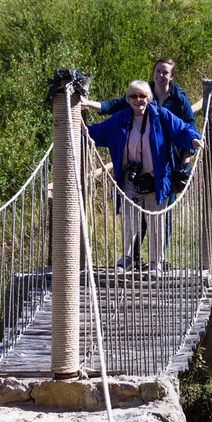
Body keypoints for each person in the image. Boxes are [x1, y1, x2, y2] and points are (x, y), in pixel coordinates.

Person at [81, 58, 196, 267]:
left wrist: (192, 144)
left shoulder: (167, 109)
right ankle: (129, 259)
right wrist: (71, 126)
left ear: (148, 98)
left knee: (157, 221)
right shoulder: (122, 118)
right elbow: (99, 127)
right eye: (133, 96)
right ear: (129, 98)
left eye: (142, 96)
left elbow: (183, 128)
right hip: (130, 181)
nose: (138, 99)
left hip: (159, 175)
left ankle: (156, 262)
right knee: (129, 221)